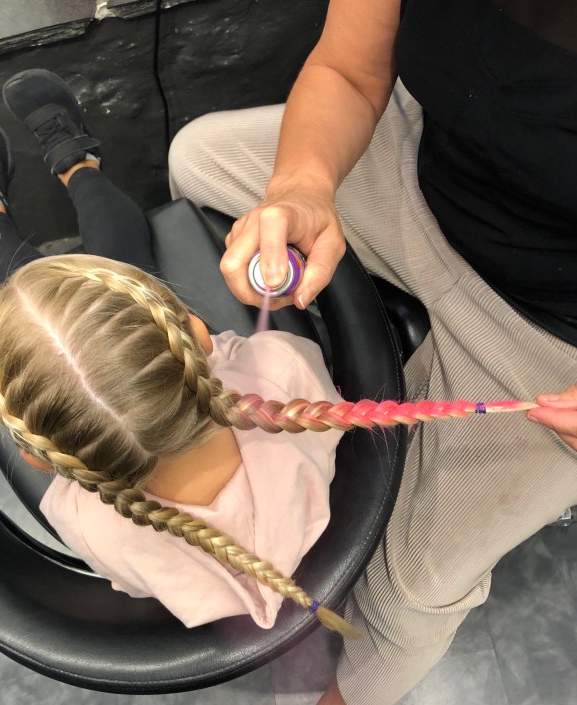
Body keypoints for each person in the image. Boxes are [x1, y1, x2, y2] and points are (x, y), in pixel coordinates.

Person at [167, 0, 577, 703]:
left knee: (407, 602)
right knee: (197, 160)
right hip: (426, 173)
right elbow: (348, 71)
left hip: (548, 331)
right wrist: (301, 187)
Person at [0, 68, 368, 637]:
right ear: (198, 334)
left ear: (41, 458)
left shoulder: (89, 526)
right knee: (101, 276)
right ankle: (77, 165)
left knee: (28, 297)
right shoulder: (281, 375)